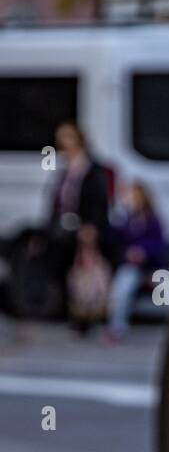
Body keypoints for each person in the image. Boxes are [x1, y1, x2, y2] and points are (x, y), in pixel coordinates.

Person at [25, 121, 112, 323]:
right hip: (62, 228)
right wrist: (42, 232)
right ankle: (68, 311)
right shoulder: (64, 167)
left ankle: (86, 314)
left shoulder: (91, 168)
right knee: (58, 267)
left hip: (84, 227)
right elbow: (56, 202)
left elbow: (99, 200)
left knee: (84, 269)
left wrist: (92, 226)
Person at [104, 183, 168, 342]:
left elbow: (160, 245)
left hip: (153, 266)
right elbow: (114, 243)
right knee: (121, 290)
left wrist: (144, 252)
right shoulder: (124, 221)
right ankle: (116, 329)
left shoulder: (152, 220)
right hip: (131, 267)